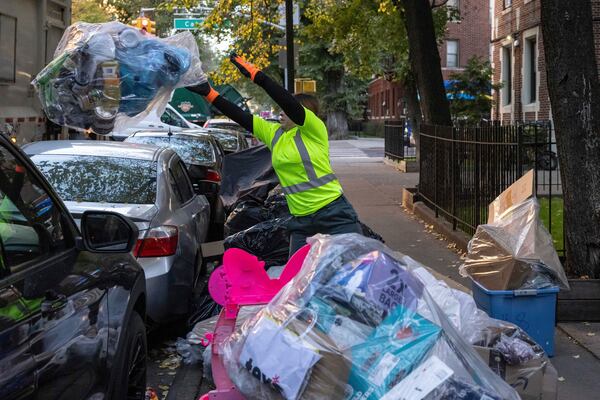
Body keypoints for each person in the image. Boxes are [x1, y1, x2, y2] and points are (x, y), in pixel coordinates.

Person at [187, 54, 363, 256]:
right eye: (280, 110)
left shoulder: (314, 130)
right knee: (297, 280)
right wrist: (209, 94)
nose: (281, 112)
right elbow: (240, 116)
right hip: (301, 220)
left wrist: (258, 76)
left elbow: (287, 102)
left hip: (334, 213)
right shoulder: (275, 134)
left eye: (285, 110)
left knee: (354, 269)